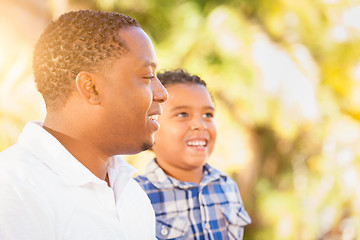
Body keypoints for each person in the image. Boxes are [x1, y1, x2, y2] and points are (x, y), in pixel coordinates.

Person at [0, 10, 168, 239]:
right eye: (147, 77)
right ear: (91, 88)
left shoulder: (132, 196)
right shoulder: (13, 188)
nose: (162, 93)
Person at [135, 69, 251, 240]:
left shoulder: (227, 186)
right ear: (151, 126)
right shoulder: (137, 196)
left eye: (207, 115)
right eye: (182, 114)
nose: (200, 124)